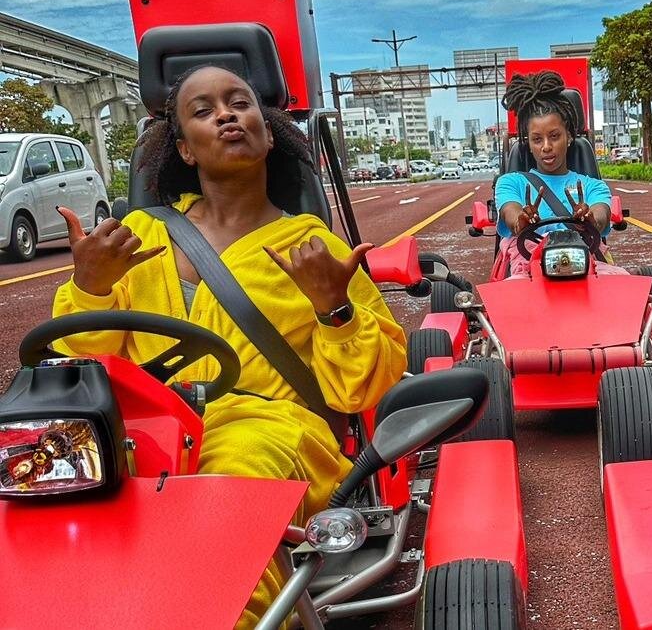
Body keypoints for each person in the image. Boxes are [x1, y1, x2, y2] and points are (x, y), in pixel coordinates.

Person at [52, 65, 408, 626]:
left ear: (268, 134)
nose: (225, 115)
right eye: (203, 110)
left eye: (240, 103)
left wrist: (333, 308)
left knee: (222, 522)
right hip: (140, 439)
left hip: (271, 430)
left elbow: (363, 389)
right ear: (184, 150)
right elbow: (78, 369)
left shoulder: (313, 246)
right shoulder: (136, 237)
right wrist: (90, 287)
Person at [495, 70, 627, 277]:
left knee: (623, 280)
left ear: (569, 136)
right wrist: (520, 221)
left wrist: (589, 221)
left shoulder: (593, 186)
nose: (546, 146)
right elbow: (510, 212)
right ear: (529, 144)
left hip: (586, 265)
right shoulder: (510, 183)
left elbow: (601, 214)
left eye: (555, 136)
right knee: (509, 292)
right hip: (528, 269)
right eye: (537, 139)